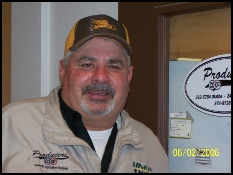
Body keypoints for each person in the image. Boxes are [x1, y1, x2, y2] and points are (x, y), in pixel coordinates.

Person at [2, 14, 168, 173]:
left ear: (129, 76)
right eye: (87, 64)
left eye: (114, 66)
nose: (101, 77)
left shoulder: (149, 146)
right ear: (63, 69)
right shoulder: (13, 125)